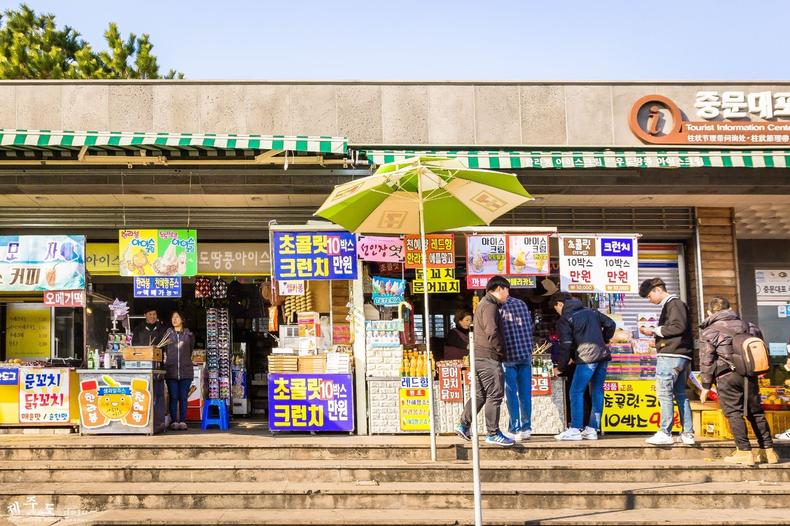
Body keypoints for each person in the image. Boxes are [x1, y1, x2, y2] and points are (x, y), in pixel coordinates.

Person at [699, 297, 778, 465]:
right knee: (756, 412)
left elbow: (707, 360)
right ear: (730, 309)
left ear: (709, 312)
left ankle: (744, 451)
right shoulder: (750, 326)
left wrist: (706, 385)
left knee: (734, 412)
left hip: (726, 376)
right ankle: (768, 451)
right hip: (750, 374)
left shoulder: (709, 331)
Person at [456, 276, 514, 447]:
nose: (508, 294)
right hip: (488, 357)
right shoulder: (490, 306)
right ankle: (493, 433)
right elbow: (492, 331)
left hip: (479, 357)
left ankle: (463, 425)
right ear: (499, 288)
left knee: (480, 395)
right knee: (495, 394)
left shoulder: (483, 304)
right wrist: (501, 351)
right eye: (507, 290)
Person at [550, 292, 615, 441]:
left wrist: (560, 368)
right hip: (602, 356)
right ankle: (592, 429)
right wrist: (603, 339)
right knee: (597, 391)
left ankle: (575, 429)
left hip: (587, 359)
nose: (558, 312)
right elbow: (611, 324)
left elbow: (566, 345)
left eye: (556, 309)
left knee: (576, 392)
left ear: (560, 304)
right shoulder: (591, 311)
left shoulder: (565, 318)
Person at [638, 278, 695, 446]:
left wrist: (654, 330)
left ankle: (665, 432)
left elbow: (678, 326)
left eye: (649, 296)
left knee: (664, 393)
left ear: (657, 290)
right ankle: (687, 433)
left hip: (671, 355)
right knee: (680, 394)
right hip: (681, 355)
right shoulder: (675, 304)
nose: (649, 300)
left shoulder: (674, 304)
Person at [500, 295, 534, 441]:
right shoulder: (521, 303)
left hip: (509, 355)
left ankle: (515, 429)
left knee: (511, 394)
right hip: (526, 354)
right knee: (525, 393)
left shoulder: (499, 307)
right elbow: (530, 327)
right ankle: (526, 428)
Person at [164, 311, 195, 431]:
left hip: (185, 371)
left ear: (182, 319)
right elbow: (164, 350)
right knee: (173, 397)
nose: (174, 319)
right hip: (171, 370)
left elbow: (190, 350)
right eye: (173, 317)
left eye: (177, 317)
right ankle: (174, 421)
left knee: (183, 397)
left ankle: (182, 421)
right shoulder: (168, 334)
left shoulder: (188, 334)